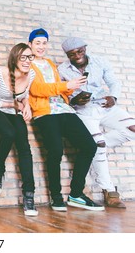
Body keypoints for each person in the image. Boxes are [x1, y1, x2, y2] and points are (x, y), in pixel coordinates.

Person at [27, 28, 104, 211]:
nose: (41, 46)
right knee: (55, 151)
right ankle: (56, 196)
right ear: (30, 45)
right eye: (37, 43)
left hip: (64, 109)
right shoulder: (26, 65)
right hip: (44, 113)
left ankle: (76, 193)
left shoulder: (50, 64)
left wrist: (72, 86)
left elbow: (59, 90)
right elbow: (37, 89)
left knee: (89, 146)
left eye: (44, 43)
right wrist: (65, 84)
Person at [58, 37, 135, 208]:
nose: (77, 56)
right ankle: (108, 190)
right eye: (72, 54)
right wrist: (74, 99)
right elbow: (61, 94)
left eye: (80, 51)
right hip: (84, 111)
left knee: (131, 128)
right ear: (67, 55)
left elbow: (114, 82)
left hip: (105, 105)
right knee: (98, 144)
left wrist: (113, 97)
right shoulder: (62, 69)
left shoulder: (100, 61)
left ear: (85, 49)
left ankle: (96, 146)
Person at [0, 43, 38, 216]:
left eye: (30, 57)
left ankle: (29, 196)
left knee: (24, 146)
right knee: (9, 132)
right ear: (14, 58)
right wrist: (14, 105)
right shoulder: (0, 74)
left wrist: (26, 106)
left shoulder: (32, 74)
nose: (27, 61)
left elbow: (25, 96)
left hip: (13, 112)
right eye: (23, 57)